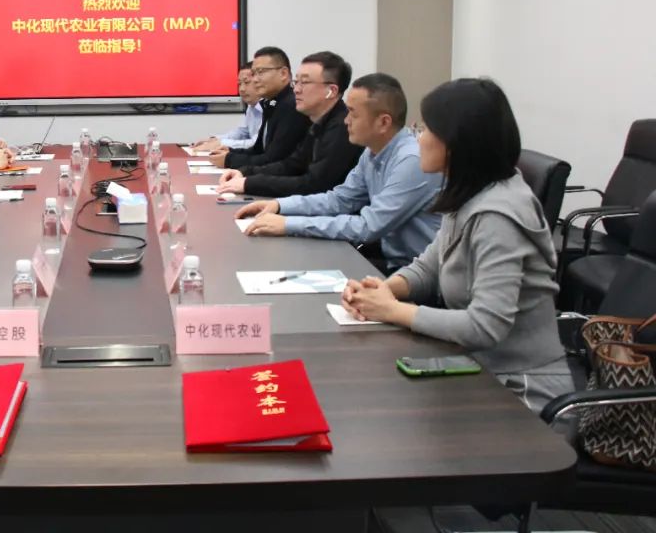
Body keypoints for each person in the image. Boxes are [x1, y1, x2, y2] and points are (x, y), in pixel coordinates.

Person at [341, 78, 573, 413]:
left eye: (425, 129)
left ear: (458, 142)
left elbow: (485, 326)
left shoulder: (498, 215)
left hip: (521, 392)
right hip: (473, 366)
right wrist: (382, 290)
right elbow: (429, 267)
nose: (418, 139)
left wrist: (392, 311)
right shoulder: (467, 193)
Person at [236, 73, 441, 273]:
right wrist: (280, 205)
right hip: (391, 261)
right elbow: (340, 200)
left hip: (415, 274)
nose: (346, 120)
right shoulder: (372, 152)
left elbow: (368, 226)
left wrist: (289, 224)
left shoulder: (411, 161)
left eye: (353, 113)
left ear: (383, 122)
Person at [217, 51, 363, 198]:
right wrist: (245, 173)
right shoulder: (318, 123)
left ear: (331, 91)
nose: (296, 89)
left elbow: (314, 185)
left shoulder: (342, 128)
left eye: (304, 82)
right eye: (296, 82)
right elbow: (292, 165)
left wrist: (249, 183)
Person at [210, 47, 310, 170]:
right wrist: (231, 151)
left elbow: (274, 159)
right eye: (254, 73)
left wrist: (230, 159)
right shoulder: (271, 103)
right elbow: (259, 150)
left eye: (261, 72)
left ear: (283, 74)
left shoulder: (291, 106)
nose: (255, 79)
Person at [191, 62, 262, 152]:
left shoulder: (270, 107)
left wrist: (221, 143)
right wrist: (215, 140)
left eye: (247, 82)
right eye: (239, 84)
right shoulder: (251, 106)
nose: (241, 89)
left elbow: (257, 144)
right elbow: (243, 132)